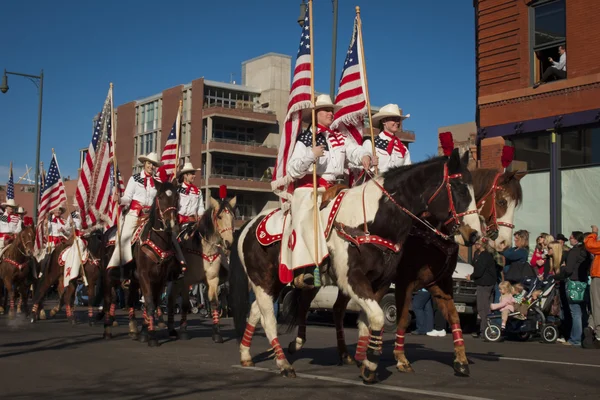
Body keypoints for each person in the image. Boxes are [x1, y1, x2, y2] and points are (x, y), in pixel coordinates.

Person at [283, 94, 376, 288]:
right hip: (311, 188)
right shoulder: (307, 137)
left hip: (336, 188)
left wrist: (365, 156)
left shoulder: (339, 137)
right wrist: (311, 154)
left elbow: (355, 151)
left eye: (331, 110)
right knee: (307, 217)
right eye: (326, 110)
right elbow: (292, 169)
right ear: (316, 114)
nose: (330, 114)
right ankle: (305, 268)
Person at [107, 152, 162, 269]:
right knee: (124, 237)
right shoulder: (135, 179)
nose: (151, 166)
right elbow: (128, 198)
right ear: (144, 164)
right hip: (135, 214)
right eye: (149, 163)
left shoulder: (158, 181)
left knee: (168, 235)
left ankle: (179, 263)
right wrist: (120, 199)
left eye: (153, 164)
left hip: (150, 216)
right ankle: (118, 267)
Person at [361, 104, 410, 173]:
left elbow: (407, 172)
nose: (397, 122)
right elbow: (360, 169)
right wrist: (370, 165)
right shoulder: (371, 144)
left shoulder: (403, 149)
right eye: (393, 119)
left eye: (398, 120)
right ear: (384, 121)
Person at [467, 239, 498, 338]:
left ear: (482, 245)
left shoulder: (485, 256)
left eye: (477, 243)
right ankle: (487, 328)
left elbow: (479, 271)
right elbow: (475, 265)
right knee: (487, 307)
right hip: (487, 283)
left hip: (485, 284)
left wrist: (471, 277)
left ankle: (485, 330)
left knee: (482, 308)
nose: (475, 245)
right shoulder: (479, 254)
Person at [584, 225, 600, 348]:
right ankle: (591, 326)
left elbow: (590, 245)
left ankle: (597, 332)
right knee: (595, 305)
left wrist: (593, 233)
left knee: (597, 304)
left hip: (598, 276)